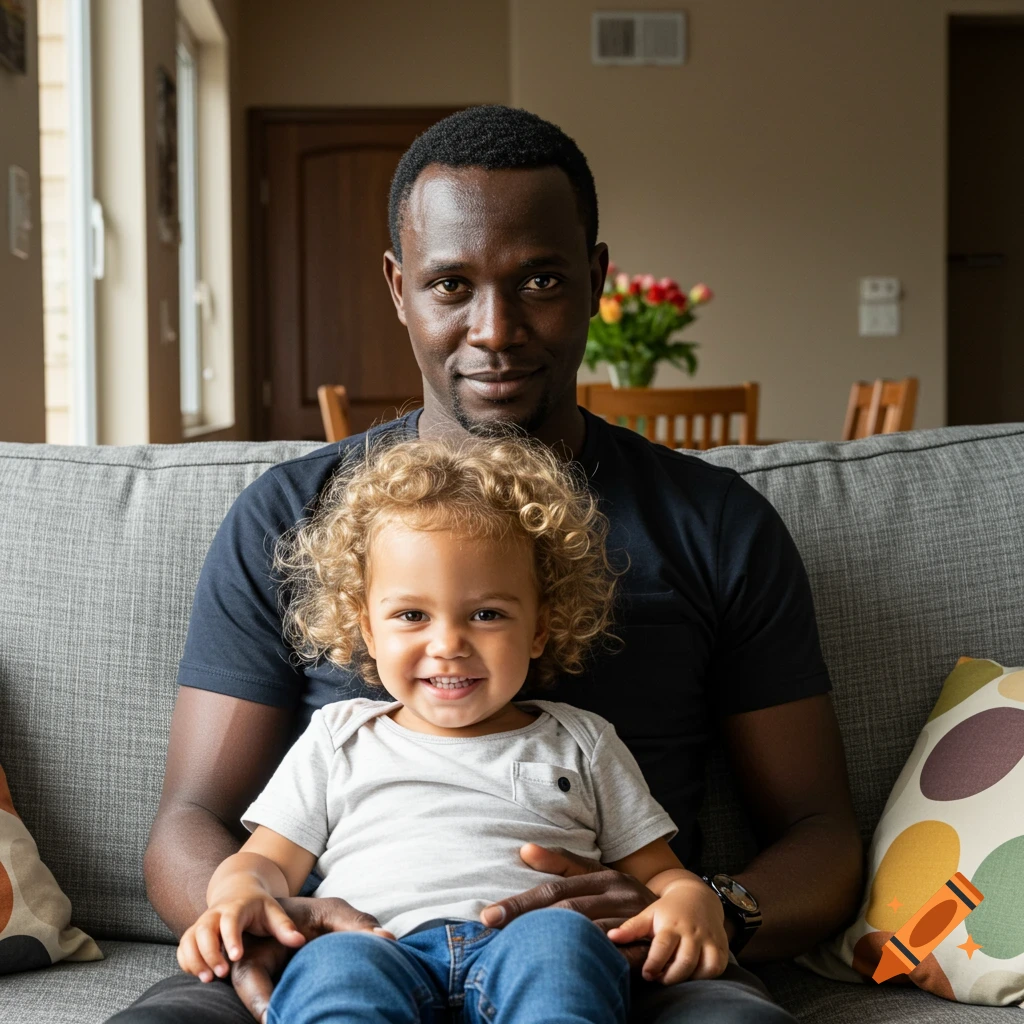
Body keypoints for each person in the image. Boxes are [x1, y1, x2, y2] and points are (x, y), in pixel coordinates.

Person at [111, 105, 862, 1024]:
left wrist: (705, 906)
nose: (495, 328)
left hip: (629, 966)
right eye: (451, 284)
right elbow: (189, 820)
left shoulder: (717, 524)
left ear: (595, 280)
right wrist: (251, 919)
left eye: (539, 280)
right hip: (340, 954)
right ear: (400, 289)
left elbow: (822, 835)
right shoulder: (290, 517)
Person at [178, 434, 735, 1024]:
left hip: (530, 944)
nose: (447, 644)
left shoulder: (583, 740)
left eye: (486, 614)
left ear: (539, 629)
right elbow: (266, 862)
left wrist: (691, 897)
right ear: (368, 630)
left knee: (563, 943)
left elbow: (659, 872)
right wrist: (237, 893)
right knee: (333, 963)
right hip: (377, 945)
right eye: (411, 615)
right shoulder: (338, 737)